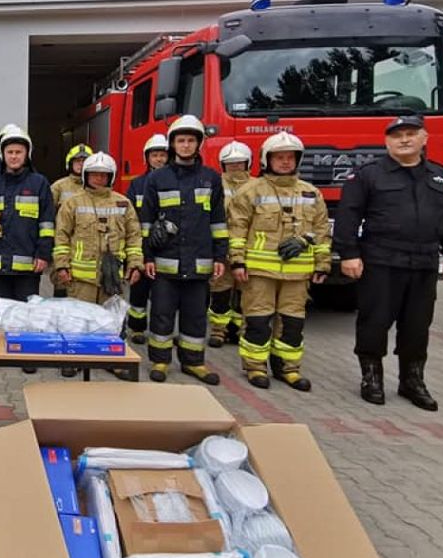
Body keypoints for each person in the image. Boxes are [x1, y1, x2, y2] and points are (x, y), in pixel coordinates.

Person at [334, 115, 443, 410]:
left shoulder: (440, 176)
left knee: (417, 326)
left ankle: (412, 380)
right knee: (375, 321)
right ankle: (372, 377)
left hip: (423, 263)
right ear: (387, 141)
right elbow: (348, 216)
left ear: (424, 138)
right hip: (381, 260)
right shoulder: (369, 175)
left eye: (411, 133)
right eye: (397, 135)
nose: (404, 139)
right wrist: (348, 254)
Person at [227, 133, 330, 391]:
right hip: (259, 272)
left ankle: (288, 368)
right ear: (267, 160)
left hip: (298, 273)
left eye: (290, 157)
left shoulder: (311, 193)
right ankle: (255, 367)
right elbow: (236, 229)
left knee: (292, 324)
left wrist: (322, 263)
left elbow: (321, 231)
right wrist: (237, 262)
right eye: (279, 157)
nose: (285, 162)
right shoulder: (250, 191)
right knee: (258, 320)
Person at [139, 115, 227, 385]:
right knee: (162, 314)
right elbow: (146, 222)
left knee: (195, 316)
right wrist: (147, 256)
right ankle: (160, 361)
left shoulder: (211, 178)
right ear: (172, 144)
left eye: (191, 140)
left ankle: (193, 363)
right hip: (165, 264)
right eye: (181, 141)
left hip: (199, 262)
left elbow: (218, 220)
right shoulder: (157, 178)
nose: (186, 145)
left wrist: (220, 255)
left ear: (199, 144)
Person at [53, 152, 143, 378]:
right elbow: (61, 236)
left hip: (112, 276)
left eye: (104, 175)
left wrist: (135, 264)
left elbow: (134, 237)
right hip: (80, 276)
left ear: (111, 177)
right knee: (76, 319)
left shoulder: (124, 203)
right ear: (85, 175)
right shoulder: (72, 203)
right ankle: (72, 358)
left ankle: (112, 359)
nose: (99, 179)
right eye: (94, 174)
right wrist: (62, 266)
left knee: (112, 320)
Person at [0, 124, 54, 372]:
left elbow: (47, 223)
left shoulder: (39, 183)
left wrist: (43, 254)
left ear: (27, 154)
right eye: (10, 152)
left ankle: (26, 356)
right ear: (3, 154)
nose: (14, 156)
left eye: (19, 152)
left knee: (26, 311)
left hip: (28, 263)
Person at [208, 141, 254, 348]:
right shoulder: (215, 186)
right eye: (230, 164)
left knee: (245, 293)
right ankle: (219, 331)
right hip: (222, 248)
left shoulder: (256, 186)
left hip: (249, 250)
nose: (235, 167)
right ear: (222, 165)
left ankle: (238, 330)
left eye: (239, 163)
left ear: (248, 163)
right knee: (220, 292)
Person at [125, 134, 168, 344]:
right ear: (147, 158)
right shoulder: (137, 184)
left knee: (162, 293)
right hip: (141, 245)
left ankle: (160, 331)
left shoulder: (174, 182)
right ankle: (136, 328)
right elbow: (130, 216)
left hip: (167, 248)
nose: (159, 159)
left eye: (162, 155)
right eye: (155, 155)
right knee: (139, 290)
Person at [50, 144, 94, 296]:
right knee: (62, 286)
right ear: (70, 163)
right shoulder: (59, 187)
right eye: (77, 161)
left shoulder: (96, 186)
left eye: (84, 161)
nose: (81, 164)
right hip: (64, 243)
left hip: (87, 247)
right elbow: (49, 214)